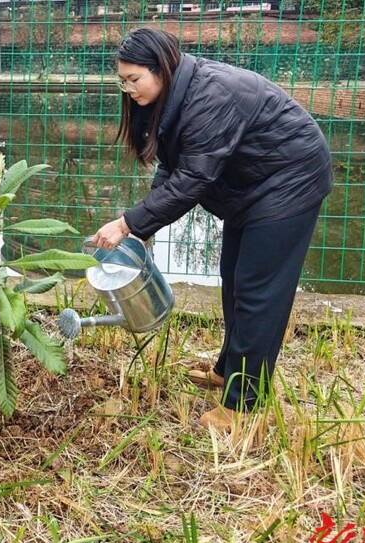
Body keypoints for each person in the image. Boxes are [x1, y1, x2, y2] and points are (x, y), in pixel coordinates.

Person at [93, 28, 333, 430]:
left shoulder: (211, 95)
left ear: (162, 68)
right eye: (123, 80)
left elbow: (192, 180)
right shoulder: (175, 96)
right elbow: (173, 167)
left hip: (290, 180)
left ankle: (242, 405)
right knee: (235, 280)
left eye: (134, 79)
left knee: (259, 292)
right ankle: (228, 370)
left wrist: (128, 222)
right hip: (252, 186)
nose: (127, 88)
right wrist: (143, 228)